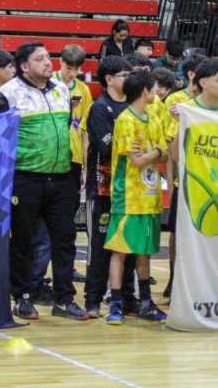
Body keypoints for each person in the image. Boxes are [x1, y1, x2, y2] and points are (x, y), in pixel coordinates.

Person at [0, 41, 88, 321]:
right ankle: (21, 297)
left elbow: (67, 128)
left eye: (48, 57)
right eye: (40, 59)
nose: (48, 62)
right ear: (23, 66)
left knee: (65, 240)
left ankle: (65, 299)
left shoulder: (61, 91)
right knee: (23, 241)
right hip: (24, 179)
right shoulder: (7, 94)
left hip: (60, 178)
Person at [104, 69, 169, 326]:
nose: (158, 93)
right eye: (155, 89)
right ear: (145, 91)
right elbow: (138, 161)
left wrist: (152, 153)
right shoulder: (125, 120)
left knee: (144, 253)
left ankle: (145, 303)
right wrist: (154, 152)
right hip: (128, 196)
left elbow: (163, 155)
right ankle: (116, 304)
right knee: (120, 252)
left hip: (149, 196)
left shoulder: (153, 118)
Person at [81, 56, 138, 318]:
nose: (129, 79)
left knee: (128, 246)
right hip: (103, 190)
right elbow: (107, 146)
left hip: (130, 190)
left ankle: (127, 297)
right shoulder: (99, 108)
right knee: (100, 247)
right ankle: (92, 299)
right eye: (124, 74)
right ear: (109, 79)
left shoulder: (133, 106)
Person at [160, 53, 205, 298]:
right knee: (176, 234)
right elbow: (170, 148)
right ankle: (174, 277)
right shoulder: (176, 101)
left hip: (206, 180)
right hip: (182, 179)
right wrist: (171, 181)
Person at [54, 45, 93, 283]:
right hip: (49, 158)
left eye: (77, 69)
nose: (72, 74)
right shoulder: (48, 83)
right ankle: (38, 273)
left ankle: (66, 270)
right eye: (69, 68)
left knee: (68, 221)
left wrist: (86, 166)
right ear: (61, 62)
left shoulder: (84, 90)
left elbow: (85, 130)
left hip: (75, 158)